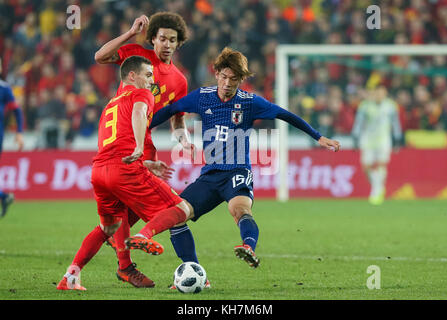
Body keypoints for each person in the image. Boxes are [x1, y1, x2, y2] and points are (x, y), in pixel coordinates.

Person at [124, 47, 341, 270]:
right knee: (179, 212)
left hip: (237, 171)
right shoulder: (202, 97)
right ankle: (144, 235)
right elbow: (172, 109)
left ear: (241, 80)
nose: (228, 83)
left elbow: (284, 114)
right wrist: (139, 128)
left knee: (240, 210)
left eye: (234, 79)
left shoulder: (250, 102)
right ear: (216, 73)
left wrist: (318, 136)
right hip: (209, 175)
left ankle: (248, 247)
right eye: (224, 77)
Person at [56, 56, 191, 290]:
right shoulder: (141, 95)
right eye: (148, 75)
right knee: (183, 209)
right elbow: (139, 113)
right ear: (132, 76)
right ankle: (143, 236)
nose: (151, 81)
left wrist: (146, 164)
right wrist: (140, 148)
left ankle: (71, 276)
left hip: (99, 171)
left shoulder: (111, 103)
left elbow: (111, 145)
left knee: (109, 228)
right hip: (125, 171)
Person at [94, 12, 203, 288]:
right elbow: (100, 56)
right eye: (162, 38)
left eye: (172, 40)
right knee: (167, 206)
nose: (166, 44)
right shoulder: (138, 58)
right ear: (152, 38)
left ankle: (120, 254)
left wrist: (185, 141)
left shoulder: (179, 80)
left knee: (128, 212)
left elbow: (178, 121)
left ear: (179, 44)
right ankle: (129, 264)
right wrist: (131, 33)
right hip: (123, 139)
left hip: (147, 143)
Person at [352, 84, 402, 205]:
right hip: (368, 139)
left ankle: (376, 190)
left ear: (385, 94)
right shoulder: (365, 106)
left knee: (381, 164)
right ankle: (378, 186)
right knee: (366, 167)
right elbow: (359, 122)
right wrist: (355, 137)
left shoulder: (390, 106)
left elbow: (395, 123)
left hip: (383, 139)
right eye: (377, 93)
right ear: (374, 93)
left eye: (382, 93)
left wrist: (397, 139)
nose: (380, 95)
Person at [0, 57, 24, 218]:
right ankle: (4, 196)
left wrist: (19, 132)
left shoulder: (4, 88)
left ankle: (4, 196)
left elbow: (17, 110)